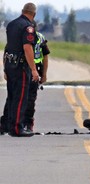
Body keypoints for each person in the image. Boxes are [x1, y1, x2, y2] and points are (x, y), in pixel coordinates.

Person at [1, 3, 39, 137]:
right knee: (21, 97)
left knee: (11, 96)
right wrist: (34, 69)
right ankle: (17, 128)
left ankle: (8, 125)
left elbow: (8, 47)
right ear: (33, 14)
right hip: (21, 67)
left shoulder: (11, 24)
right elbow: (27, 48)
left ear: (23, 11)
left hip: (10, 64)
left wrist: (5, 68)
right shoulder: (28, 27)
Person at [24, 21, 50, 132]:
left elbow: (45, 56)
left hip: (33, 69)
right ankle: (19, 123)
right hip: (26, 68)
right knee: (23, 97)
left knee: (29, 98)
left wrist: (44, 74)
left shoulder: (40, 38)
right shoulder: (24, 36)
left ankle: (28, 123)